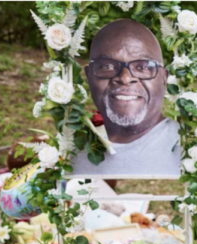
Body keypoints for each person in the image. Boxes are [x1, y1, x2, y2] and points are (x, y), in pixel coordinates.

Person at [72, 19, 181, 178]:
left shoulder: (188, 146)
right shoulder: (69, 146)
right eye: (107, 66)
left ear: (164, 78)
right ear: (89, 76)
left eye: (143, 67)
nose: (125, 78)